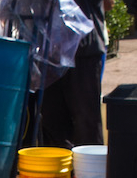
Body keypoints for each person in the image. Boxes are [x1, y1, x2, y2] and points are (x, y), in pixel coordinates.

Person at [40, 0, 113, 149]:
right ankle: (61, 169)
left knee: (86, 122)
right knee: (52, 121)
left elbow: (108, 4)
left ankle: (90, 169)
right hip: (50, 52)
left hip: (84, 50)